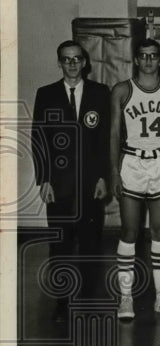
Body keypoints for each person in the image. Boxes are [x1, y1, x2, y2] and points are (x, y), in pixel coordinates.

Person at [32, 41, 111, 321]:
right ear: (60, 63)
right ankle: (63, 301)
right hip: (60, 181)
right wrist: (44, 180)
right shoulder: (46, 94)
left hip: (91, 180)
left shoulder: (100, 93)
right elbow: (39, 140)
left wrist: (104, 177)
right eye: (67, 60)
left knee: (91, 239)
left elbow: (104, 140)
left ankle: (87, 297)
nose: (73, 64)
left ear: (85, 62)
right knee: (61, 241)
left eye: (77, 59)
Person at [108, 39, 160, 319]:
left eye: (154, 56)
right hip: (132, 161)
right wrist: (114, 171)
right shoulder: (122, 90)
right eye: (143, 56)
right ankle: (125, 297)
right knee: (129, 232)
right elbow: (115, 135)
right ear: (136, 60)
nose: (149, 61)